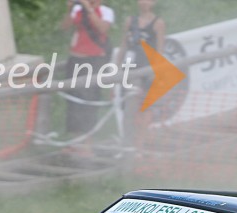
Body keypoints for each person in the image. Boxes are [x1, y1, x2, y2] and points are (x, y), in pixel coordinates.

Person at [62, 0, 115, 139]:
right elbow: (65, 27)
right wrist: (69, 9)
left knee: (89, 98)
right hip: (75, 58)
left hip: (94, 60)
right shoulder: (78, 10)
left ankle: (87, 141)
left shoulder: (106, 11)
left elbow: (102, 28)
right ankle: (74, 140)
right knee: (73, 99)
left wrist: (88, 8)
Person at [116, 0, 166, 143]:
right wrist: (117, 68)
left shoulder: (158, 23)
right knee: (128, 108)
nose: (144, 2)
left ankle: (140, 144)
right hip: (129, 70)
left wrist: (156, 72)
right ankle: (128, 143)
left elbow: (160, 50)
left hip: (147, 70)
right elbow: (123, 46)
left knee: (146, 108)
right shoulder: (130, 21)